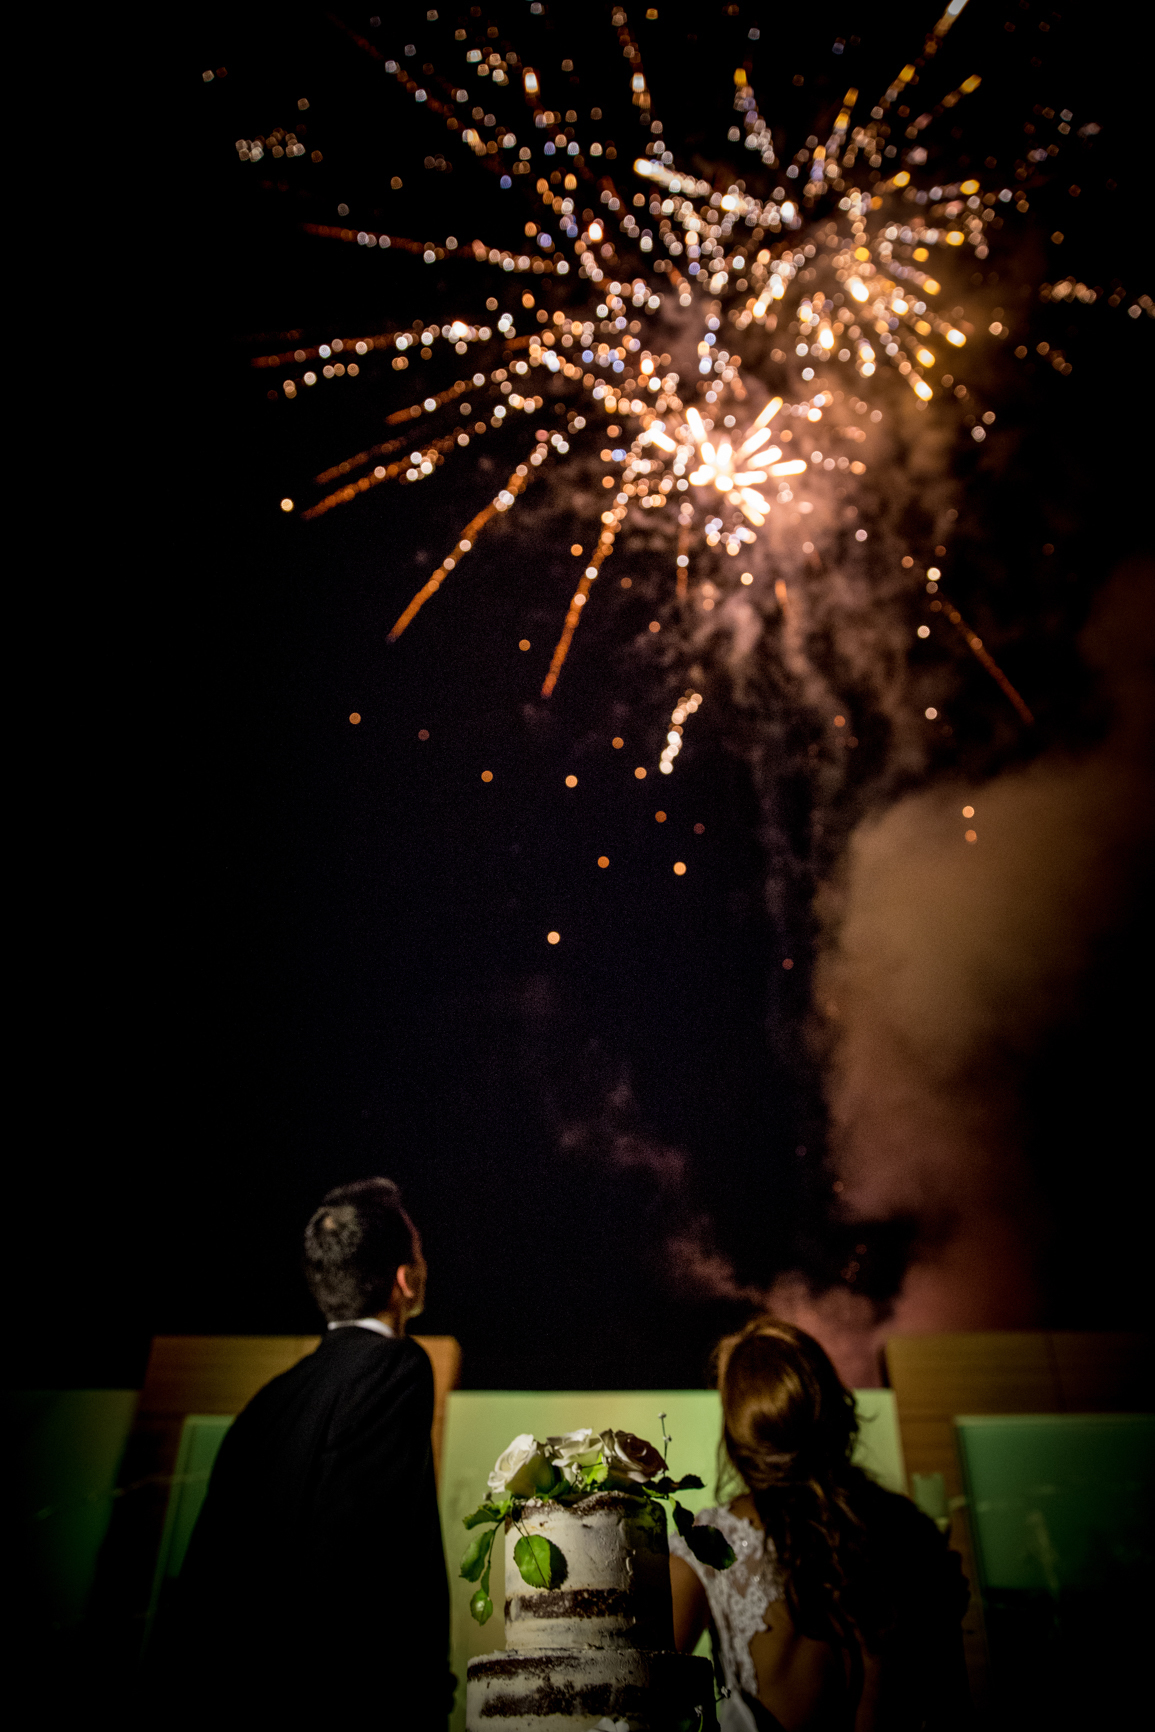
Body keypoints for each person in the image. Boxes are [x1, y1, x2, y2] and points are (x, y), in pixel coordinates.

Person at [159, 1177, 451, 1723]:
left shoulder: (268, 1400)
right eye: (419, 1252)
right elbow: (384, 1548)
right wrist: (427, 1690)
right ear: (404, 1280)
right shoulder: (394, 1366)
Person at [670, 1317, 970, 1732]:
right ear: (832, 1405)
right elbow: (953, 1708)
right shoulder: (911, 1532)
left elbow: (640, 1711)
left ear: (738, 1432)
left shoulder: (708, 1547)